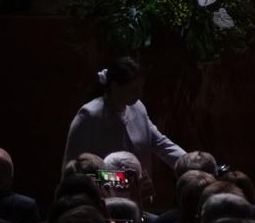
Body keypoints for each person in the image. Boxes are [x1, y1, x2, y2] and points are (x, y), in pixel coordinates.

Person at [62, 58, 185, 205]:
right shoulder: (89, 116)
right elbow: (72, 170)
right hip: (101, 205)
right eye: (134, 90)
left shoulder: (138, 108)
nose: (140, 94)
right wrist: (124, 182)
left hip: (138, 203)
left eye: (141, 88)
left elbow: (160, 143)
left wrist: (191, 164)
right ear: (115, 87)